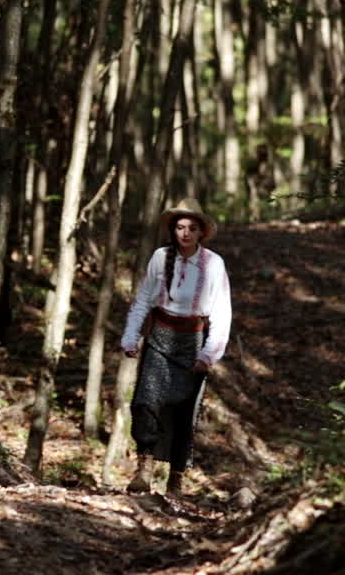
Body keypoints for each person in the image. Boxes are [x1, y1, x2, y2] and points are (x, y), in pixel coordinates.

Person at [120, 197, 232, 499]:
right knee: (146, 400)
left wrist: (208, 354)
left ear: (200, 233)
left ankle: (176, 478)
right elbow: (144, 298)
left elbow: (222, 313)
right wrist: (131, 336)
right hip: (159, 335)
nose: (184, 233)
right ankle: (143, 466)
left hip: (192, 340)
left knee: (184, 410)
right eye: (179, 227)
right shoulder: (160, 257)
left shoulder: (213, 264)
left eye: (191, 228)